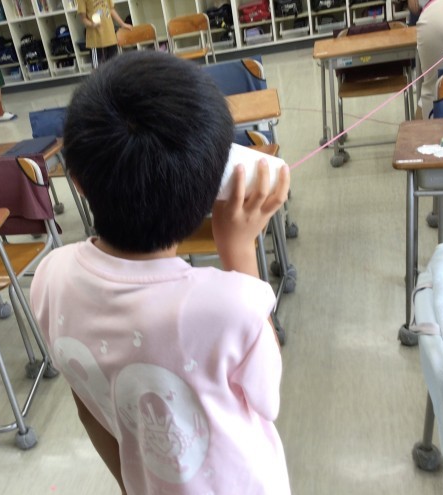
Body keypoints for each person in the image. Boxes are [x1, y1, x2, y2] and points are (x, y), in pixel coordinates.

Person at [29, 51, 292, 495]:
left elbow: (88, 407)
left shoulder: (50, 277)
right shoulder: (231, 305)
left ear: (77, 181)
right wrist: (239, 251)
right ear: (213, 189)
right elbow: (267, 397)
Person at [77, 0, 132, 67]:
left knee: (114, 66)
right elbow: (83, 18)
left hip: (111, 37)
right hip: (97, 40)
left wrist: (122, 24)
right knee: (99, 68)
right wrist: (92, 25)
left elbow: (111, 10)